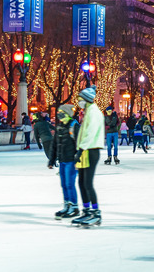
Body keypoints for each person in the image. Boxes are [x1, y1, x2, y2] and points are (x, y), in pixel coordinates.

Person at [71, 87, 105, 227]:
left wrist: (81, 149)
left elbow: (90, 133)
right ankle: (86, 210)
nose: (79, 102)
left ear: (87, 99)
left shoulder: (94, 113)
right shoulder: (89, 111)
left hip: (91, 150)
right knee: (81, 183)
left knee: (87, 183)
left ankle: (96, 213)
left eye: (80, 99)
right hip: (85, 150)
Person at [48, 104, 80, 220]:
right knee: (64, 184)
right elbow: (55, 144)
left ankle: (74, 207)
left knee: (69, 184)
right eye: (58, 112)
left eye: (62, 112)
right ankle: (67, 205)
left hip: (72, 161)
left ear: (67, 113)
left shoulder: (74, 126)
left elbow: (80, 144)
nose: (59, 115)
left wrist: (78, 159)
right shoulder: (59, 127)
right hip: (62, 160)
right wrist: (51, 160)